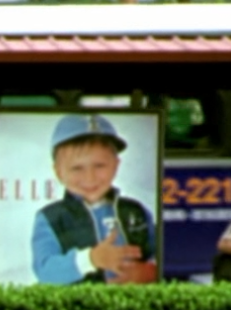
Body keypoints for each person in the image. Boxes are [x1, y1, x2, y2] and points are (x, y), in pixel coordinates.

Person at [31, 114, 157, 285]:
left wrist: (149, 271)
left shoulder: (135, 211)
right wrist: (91, 259)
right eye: (77, 168)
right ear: (59, 172)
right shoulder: (51, 218)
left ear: (116, 165)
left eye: (99, 166)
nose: (90, 178)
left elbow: (161, 254)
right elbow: (45, 271)